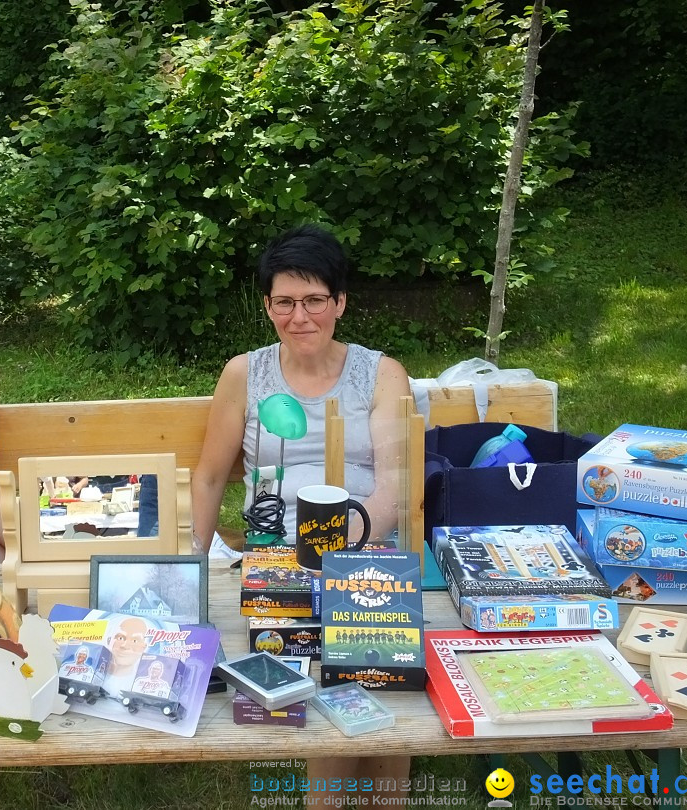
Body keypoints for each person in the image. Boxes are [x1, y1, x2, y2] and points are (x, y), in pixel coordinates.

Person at [191, 223, 412, 807]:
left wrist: (335, 548)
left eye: (315, 300)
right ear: (267, 305)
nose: (300, 316)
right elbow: (211, 474)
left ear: (340, 302)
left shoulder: (380, 375)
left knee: (380, 670)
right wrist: (193, 564)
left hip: (363, 548)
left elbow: (394, 486)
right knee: (327, 677)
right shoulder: (246, 374)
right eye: (284, 302)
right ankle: (328, 798)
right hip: (273, 560)